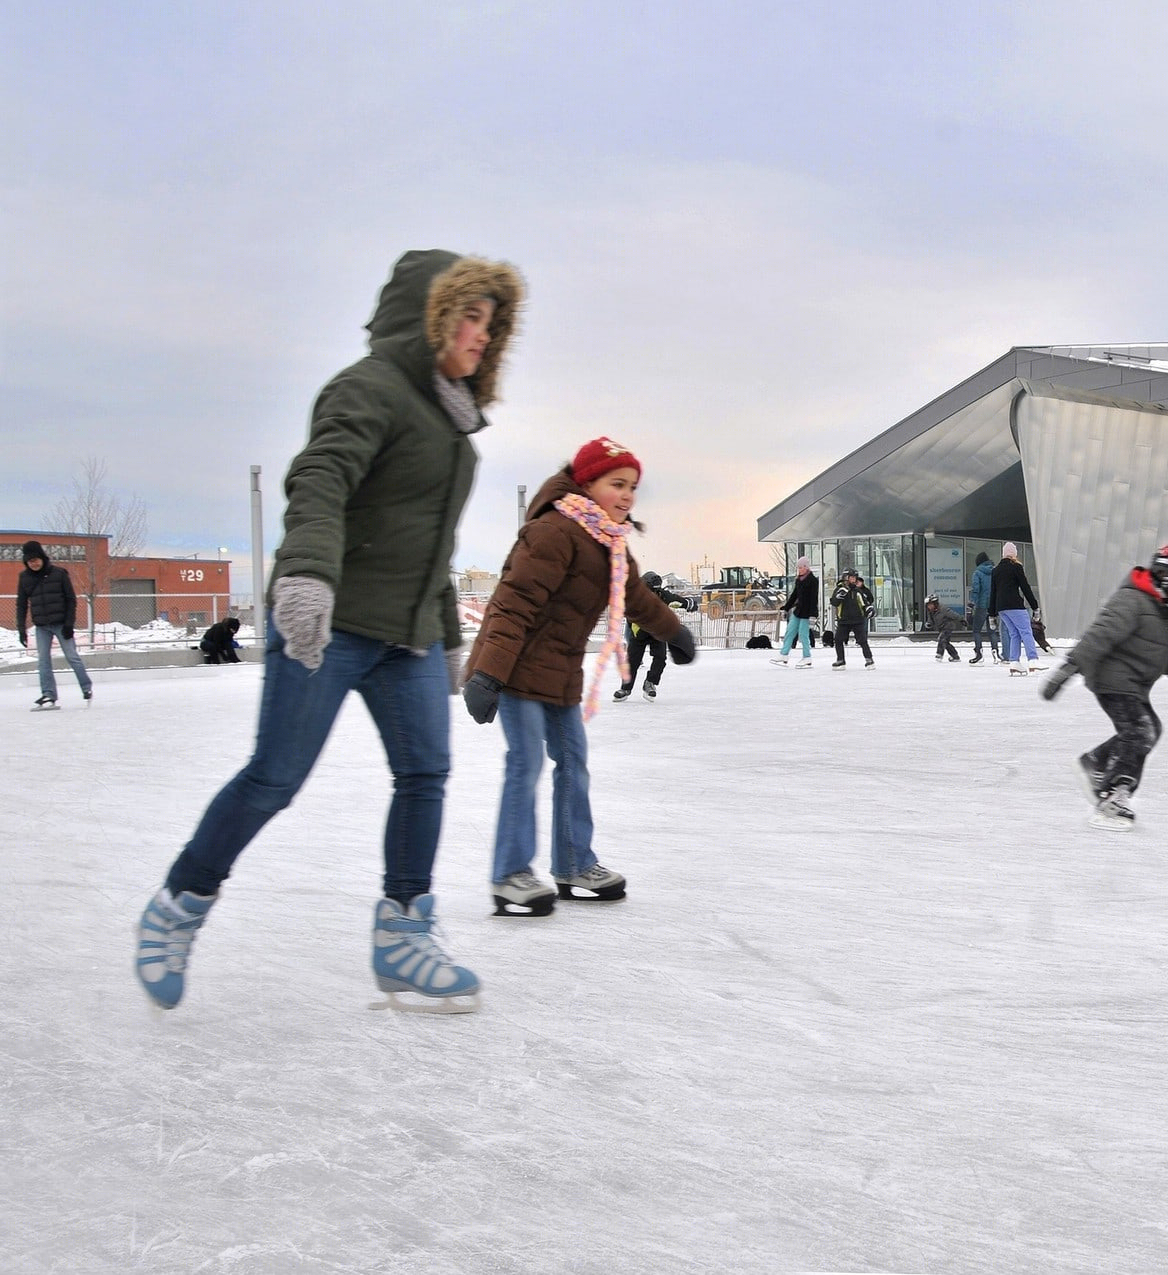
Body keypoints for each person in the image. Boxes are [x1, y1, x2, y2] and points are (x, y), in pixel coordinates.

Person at [133, 249, 523, 1014]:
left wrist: (446, 632)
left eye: (491, 322)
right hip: (330, 619)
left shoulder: (455, 434)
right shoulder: (366, 388)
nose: (482, 334)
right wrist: (306, 575)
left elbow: (429, 546)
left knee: (425, 774)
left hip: (403, 636)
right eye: (469, 315)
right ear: (432, 316)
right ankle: (178, 902)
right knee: (275, 776)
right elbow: (320, 478)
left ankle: (403, 933)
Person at [462, 436, 696, 917]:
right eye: (617, 484)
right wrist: (487, 674)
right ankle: (509, 874)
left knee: (574, 764)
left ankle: (572, 863)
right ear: (587, 484)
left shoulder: (610, 545)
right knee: (525, 764)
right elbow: (512, 604)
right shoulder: (553, 532)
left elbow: (637, 598)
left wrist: (674, 631)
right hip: (513, 669)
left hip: (559, 673)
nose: (628, 496)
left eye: (633, 486)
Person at [1040, 544, 1168, 829]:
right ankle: (1113, 797)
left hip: (1133, 686)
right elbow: (1099, 635)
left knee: (1149, 729)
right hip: (1111, 679)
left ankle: (1095, 762)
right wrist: (1068, 669)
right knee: (1139, 730)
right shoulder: (1133, 600)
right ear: (1166, 577)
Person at [14, 539, 93, 709]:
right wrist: (21, 630)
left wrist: (69, 624)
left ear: (42, 558)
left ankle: (86, 688)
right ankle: (48, 694)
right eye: (29, 561)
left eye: (35, 560)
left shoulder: (58, 574)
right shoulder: (24, 578)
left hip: (61, 624)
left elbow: (71, 600)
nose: (33, 564)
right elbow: (21, 604)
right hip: (42, 626)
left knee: (72, 657)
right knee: (43, 661)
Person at [614, 571, 693, 701]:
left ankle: (650, 683)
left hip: (657, 632)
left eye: (655, 591)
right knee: (632, 661)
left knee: (660, 658)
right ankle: (625, 688)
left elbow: (675, 599)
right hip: (638, 633)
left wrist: (688, 604)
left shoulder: (662, 594)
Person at [989, 541, 1043, 675]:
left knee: (1014, 634)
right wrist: (1035, 606)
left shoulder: (996, 570)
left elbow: (993, 593)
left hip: (1002, 609)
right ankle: (1033, 660)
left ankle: (1014, 662)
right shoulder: (1016, 567)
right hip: (1015, 606)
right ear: (1014, 554)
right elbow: (1025, 587)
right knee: (1026, 631)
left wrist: (992, 614)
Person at [772, 556, 818, 668]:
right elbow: (794, 595)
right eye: (798, 568)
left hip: (807, 613)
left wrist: (813, 615)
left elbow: (814, 598)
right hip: (798, 611)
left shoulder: (813, 581)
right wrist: (786, 607)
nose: (799, 569)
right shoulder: (798, 580)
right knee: (789, 632)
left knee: (803, 635)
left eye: (801, 567)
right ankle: (784, 654)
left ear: (806, 567)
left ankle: (807, 657)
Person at [828, 569, 875, 668]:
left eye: (855, 578)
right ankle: (840, 660)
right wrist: (839, 596)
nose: (853, 580)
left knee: (862, 640)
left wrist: (868, 610)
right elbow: (834, 603)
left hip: (857, 620)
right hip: (844, 621)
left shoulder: (857, 591)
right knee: (838, 640)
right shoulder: (839, 589)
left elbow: (864, 603)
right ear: (846, 578)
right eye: (851, 577)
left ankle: (869, 659)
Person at [967, 551, 998, 663]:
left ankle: (979, 653)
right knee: (992, 631)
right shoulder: (995, 571)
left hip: (981, 606)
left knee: (976, 630)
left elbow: (976, 590)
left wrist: (971, 603)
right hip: (993, 607)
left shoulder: (977, 573)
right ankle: (995, 653)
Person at [924, 594, 967, 661]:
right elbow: (930, 619)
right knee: (946, 643)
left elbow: (953, 614)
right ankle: (955, 656)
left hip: (948, 627)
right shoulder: (931, 611)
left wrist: (961, 619)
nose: (929, 606)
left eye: (930, 604)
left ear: (935, 603)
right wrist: (929, 624)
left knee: (941, 638)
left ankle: (939, 654)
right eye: (928, 605)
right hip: (941, 628)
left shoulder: (943, 609)